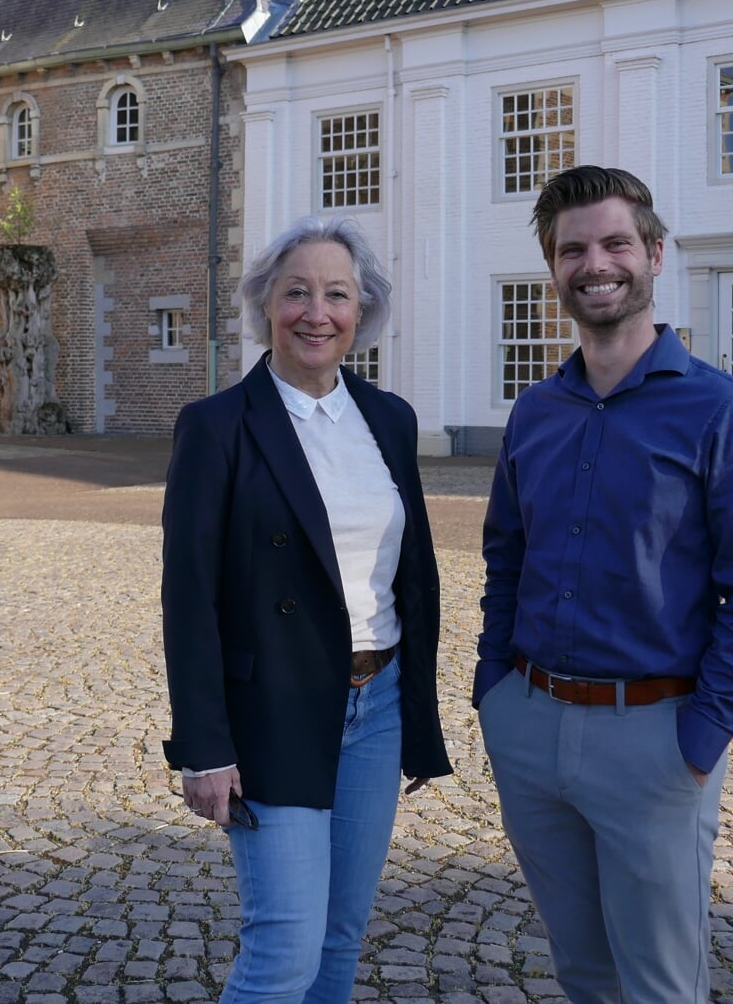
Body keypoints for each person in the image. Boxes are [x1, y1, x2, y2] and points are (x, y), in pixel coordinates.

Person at [475, 166, 733, 1002]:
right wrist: (494, 693)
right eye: (572, 249)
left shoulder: (727, 415)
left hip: (655, 737)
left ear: (653, 254)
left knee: (657, 985)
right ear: (554, 270)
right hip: (531, 728)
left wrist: (702, 738)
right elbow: (506, 557)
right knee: (583, 971)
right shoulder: (535, 414)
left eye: (616, 243)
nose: (595, 263)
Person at [161, 215, 453, 1003]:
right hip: (274, 710)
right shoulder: (217, 426)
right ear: (266, 305)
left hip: (377, 703)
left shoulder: (389, 419)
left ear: (362, 311)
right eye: (296, 293)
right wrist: (204, 746)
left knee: (337, 940)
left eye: (336, 294)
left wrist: (419, 713)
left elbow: (409, 576)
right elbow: (188, 599)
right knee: (283, 951)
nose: (315, 312)